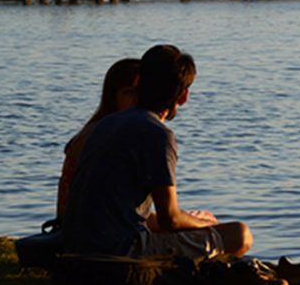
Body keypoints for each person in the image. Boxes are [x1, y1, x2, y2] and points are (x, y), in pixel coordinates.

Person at [63, 45, 251, 260]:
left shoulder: (105, 125)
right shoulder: (157, 134)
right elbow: (169, 219)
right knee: (239, 234)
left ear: (140, 83)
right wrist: (207, 226)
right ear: (183, 96)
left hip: (75, 249)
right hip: (120, 252)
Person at [57, 59, 141, 220]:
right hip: (94, 232)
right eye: (130, 93)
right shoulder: (107, 137)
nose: (137, 101)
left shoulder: (98, 129)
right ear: (112, 97)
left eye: (142, 94)